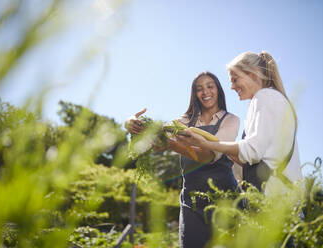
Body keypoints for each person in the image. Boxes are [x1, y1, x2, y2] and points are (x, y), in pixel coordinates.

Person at [125, 71, 240, 248]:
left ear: (218, 90)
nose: (205, 92)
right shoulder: (182, 122)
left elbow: (210, 156)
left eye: (210, 86)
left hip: (225, 198)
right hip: (191, 202)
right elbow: (147, 143)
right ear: (194, 93)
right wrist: (132, 124)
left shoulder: (230, 120)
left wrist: (172, 145)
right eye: (199, 88)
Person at [179, 51, 303, 196]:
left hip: (276, 202)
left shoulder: (265, 97)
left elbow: (252, 151)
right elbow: (257, 158)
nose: (232, 86)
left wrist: (206, 144)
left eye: (235, 79)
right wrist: (225, 150)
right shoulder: (269, 99)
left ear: (253, 74)